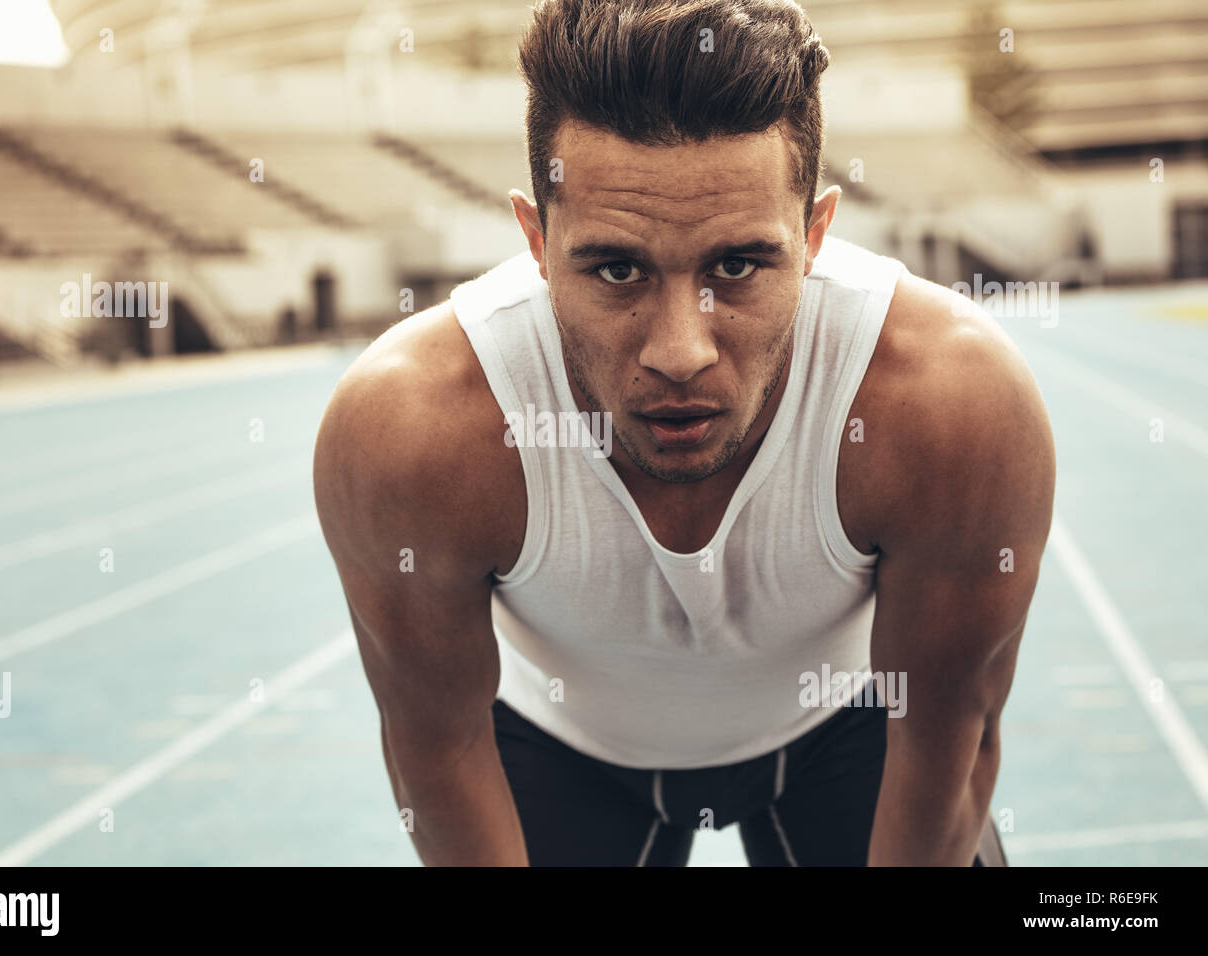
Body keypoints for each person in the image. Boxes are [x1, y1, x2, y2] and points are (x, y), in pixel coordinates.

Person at [313, 0, 1055, 866]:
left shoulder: (951, 405)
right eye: (616, 268)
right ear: (537, 241)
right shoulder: (412, 431)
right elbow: (436, 750)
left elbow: (947, 745)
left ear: (816, 233)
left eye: (736, 266)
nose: (680, 352)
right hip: (560, 750)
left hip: (851, 731)